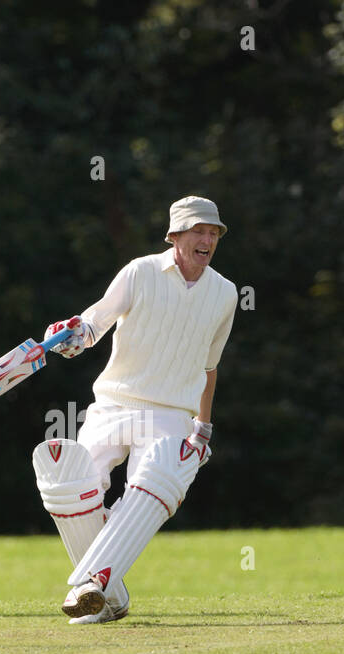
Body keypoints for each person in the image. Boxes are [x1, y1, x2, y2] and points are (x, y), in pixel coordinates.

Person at [32, 196, 237, 623]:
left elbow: (209, 366)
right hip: (113, 404)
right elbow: (95, 322)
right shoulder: (141, 271)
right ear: (175, 236)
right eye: (198, 231)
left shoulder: (225, 293)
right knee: (68, 479)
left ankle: (92, 587)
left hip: (171, 414)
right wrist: (73, 335)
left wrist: (203, 426)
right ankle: (111, 593)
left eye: (214, 233)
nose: (207, 239)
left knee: (156, 480)